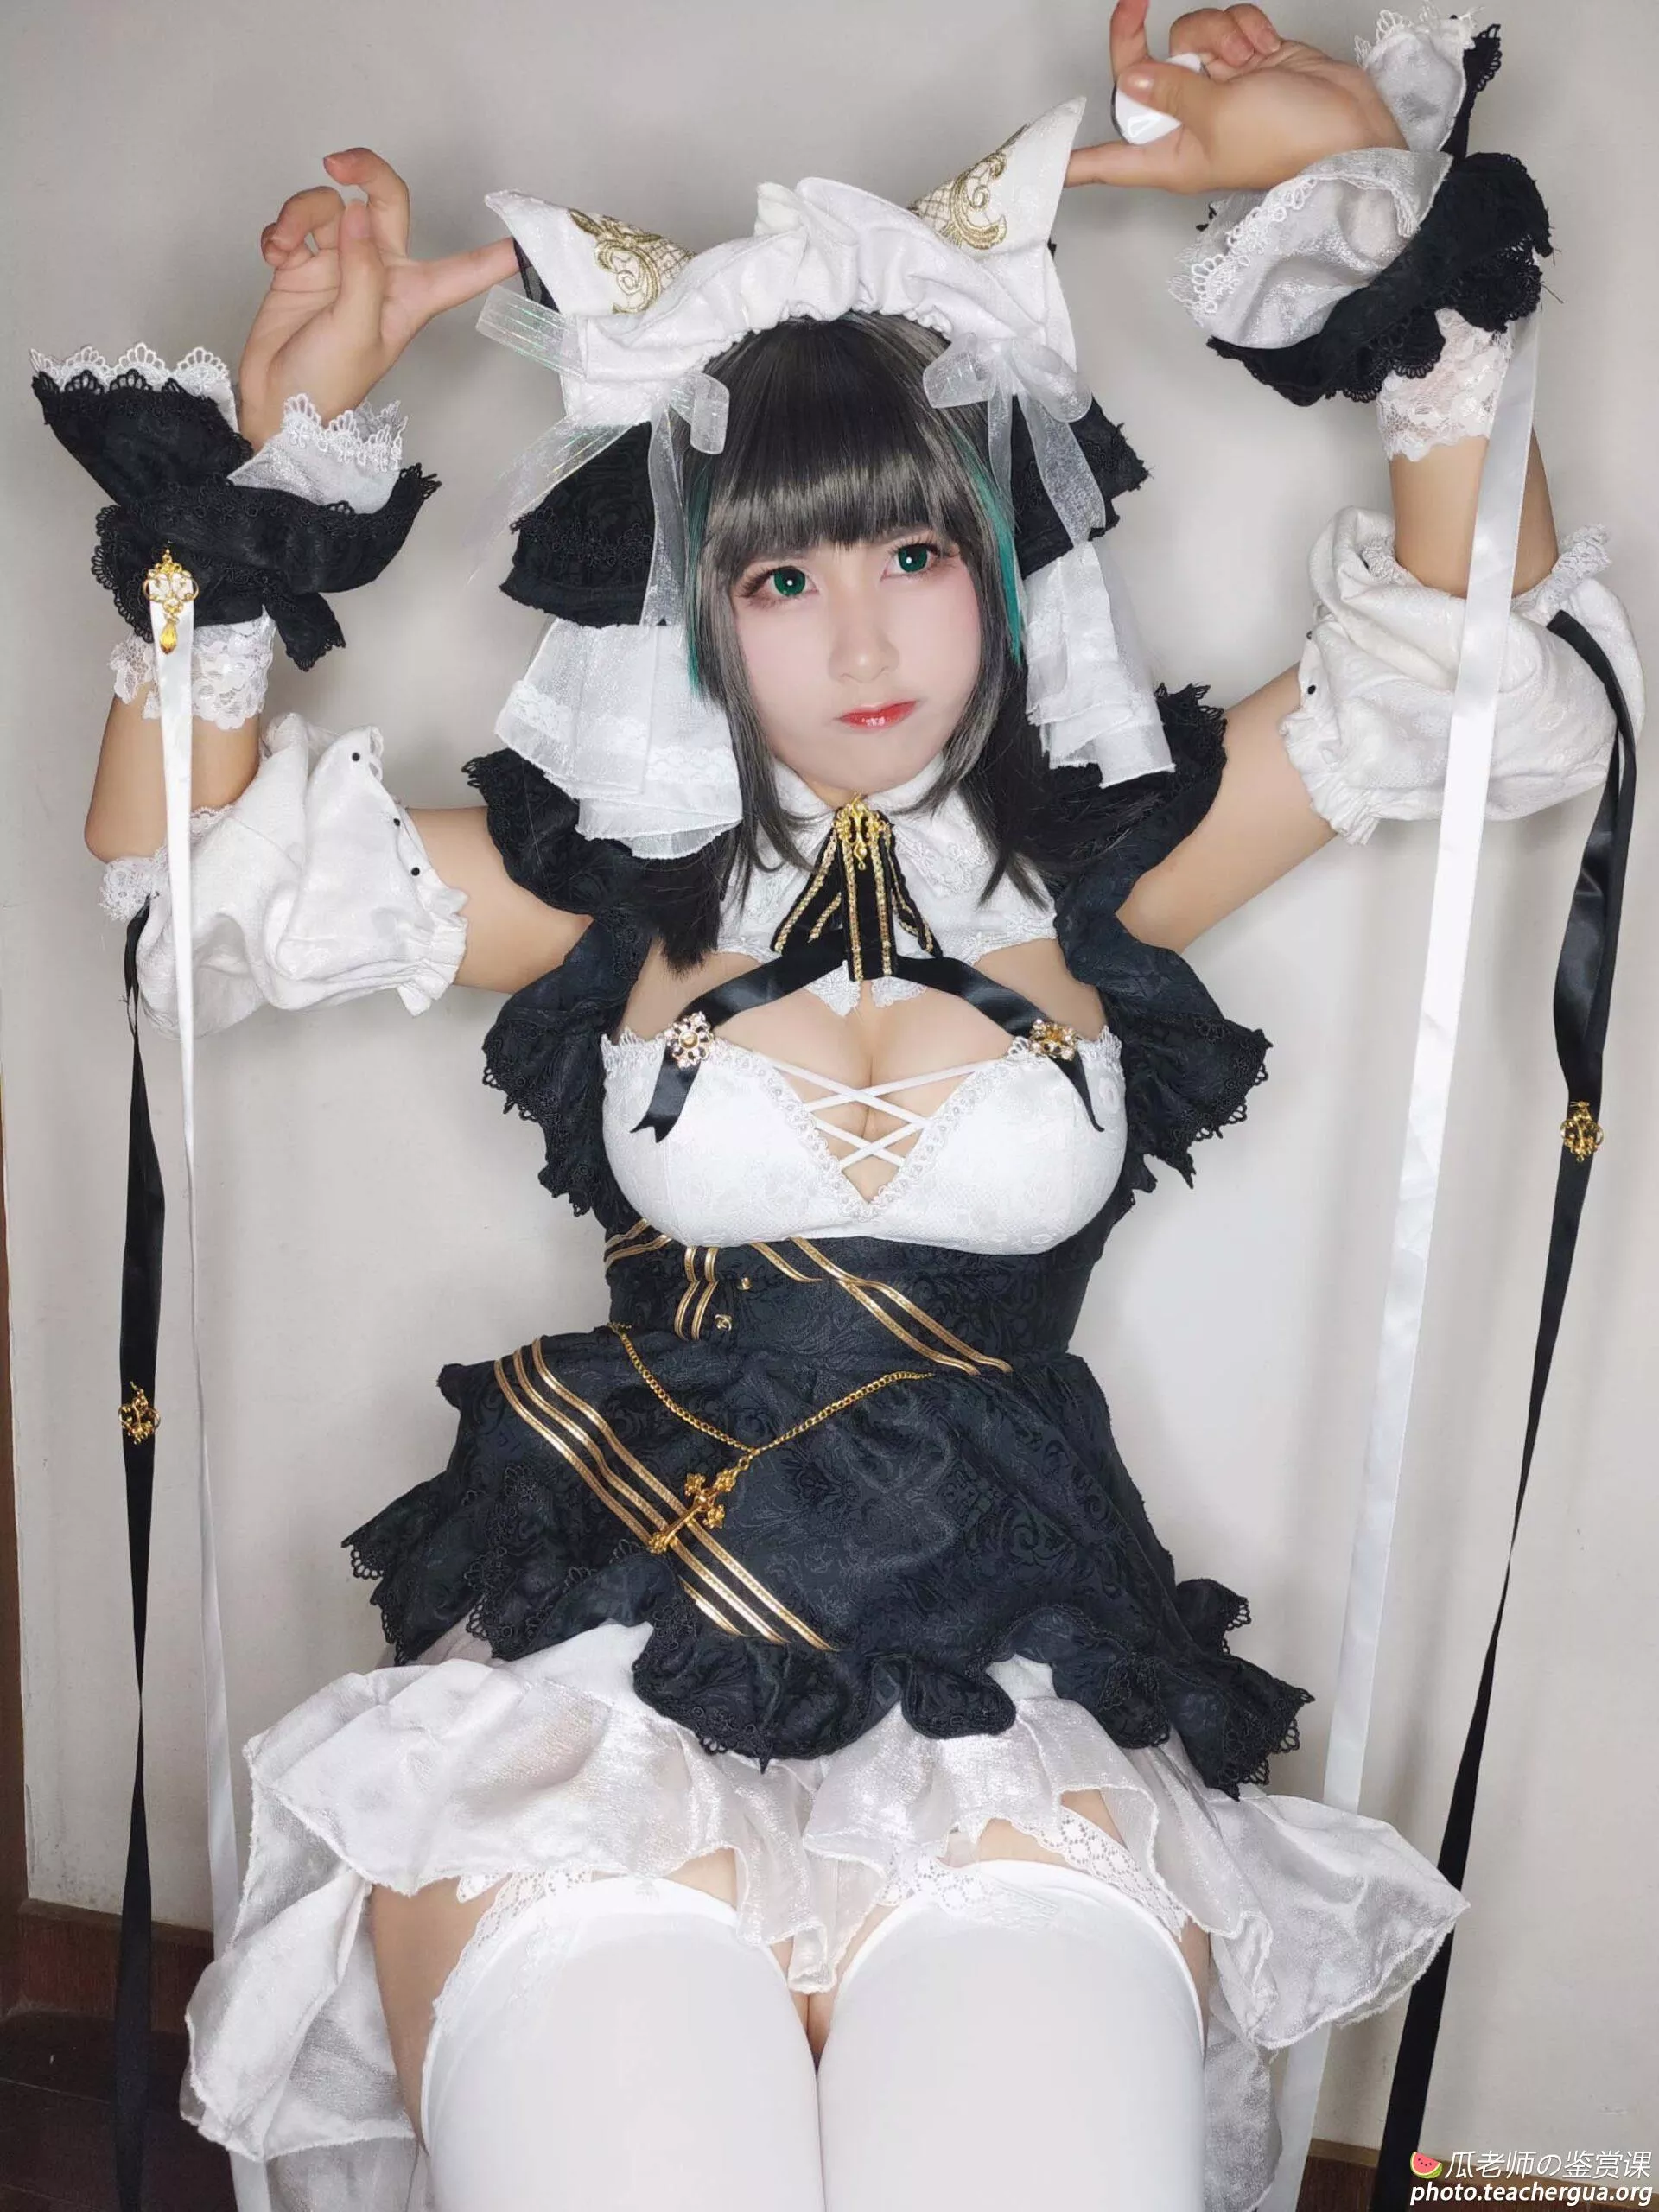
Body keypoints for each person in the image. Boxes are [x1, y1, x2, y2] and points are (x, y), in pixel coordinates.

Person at [32, 4, 1641, 2209]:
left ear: (1001, 557)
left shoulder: (1111, 866)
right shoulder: (603, 886)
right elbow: (183, 891)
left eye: (913, 554)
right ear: (696, 605)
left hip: (1009, 1688)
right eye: (783, 574)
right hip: (609, 1679)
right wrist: (272, 444)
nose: (861, 639)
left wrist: (1348, 191)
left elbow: (1483, 683)